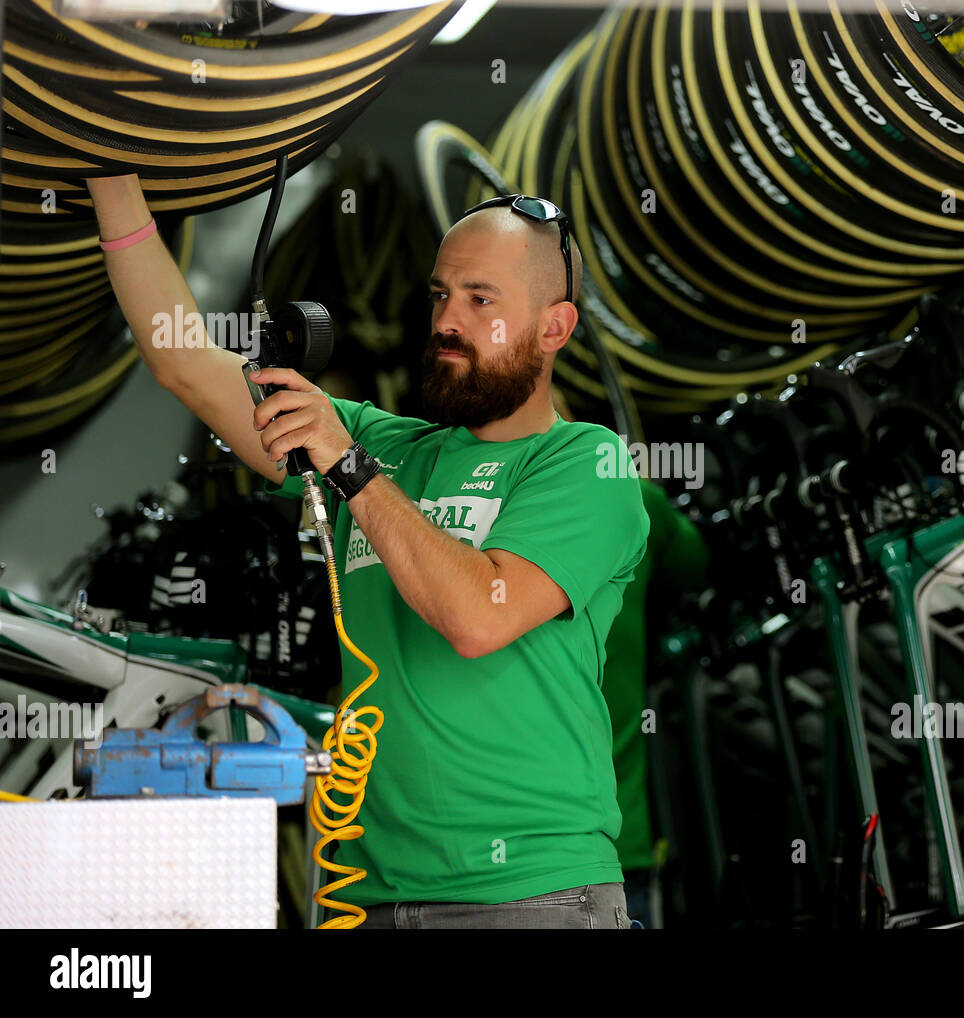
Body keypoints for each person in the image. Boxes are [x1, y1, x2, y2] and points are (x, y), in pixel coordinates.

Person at [88, 175, 649, 930]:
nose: (447, 321)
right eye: (440, 295)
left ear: (554, 328)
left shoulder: (585, 462)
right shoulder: (389, 447)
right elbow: (182, 360)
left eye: (481, 301)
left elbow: (476, 618)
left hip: (530, 895)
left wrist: (349, 465)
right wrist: (112, 181)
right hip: (372, 896)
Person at [551, 390, 710, 929]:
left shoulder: (464, 520)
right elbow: (694, 566)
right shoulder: (631, 496)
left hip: (491, 854)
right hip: (614, 842)